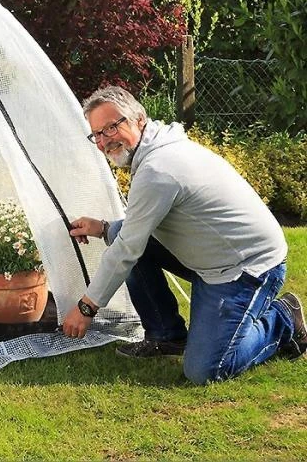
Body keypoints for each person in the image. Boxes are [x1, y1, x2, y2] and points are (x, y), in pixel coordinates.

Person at [63, 85, 307, 384]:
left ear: (139, 119)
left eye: (111, 127)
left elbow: (127, 249)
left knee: (206, 370)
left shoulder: (158, 169)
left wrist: (86, 307)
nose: (104, 141)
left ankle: (284, 318)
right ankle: (166, 336)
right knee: (120, 236)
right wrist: (103, 228)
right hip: (215, 257)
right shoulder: (158, 149)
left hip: (246, 268)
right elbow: (135, 230)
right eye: (97, 134)